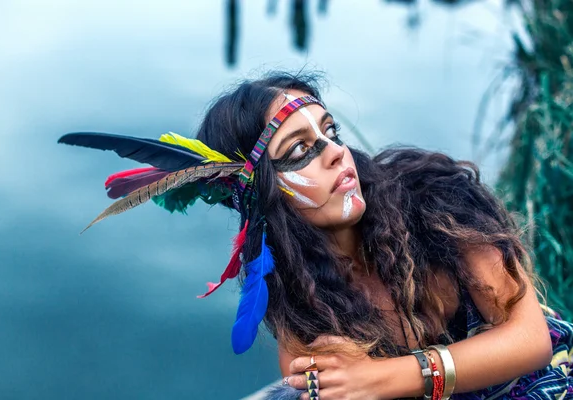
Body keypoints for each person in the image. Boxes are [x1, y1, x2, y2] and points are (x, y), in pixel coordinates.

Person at [59, 71, 573, 399]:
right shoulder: (290, 287)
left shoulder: (434, 198)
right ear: (262, 194)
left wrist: (387, 377)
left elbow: (529, 340)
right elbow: (318, 382)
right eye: (300, 149)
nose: (336, 153)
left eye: (331, 132)